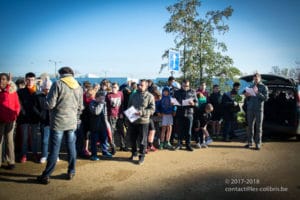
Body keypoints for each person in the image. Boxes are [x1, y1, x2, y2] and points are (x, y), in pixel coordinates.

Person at [37, 67, 83, 184]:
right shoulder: (78, 86)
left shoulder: (58, 84)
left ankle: (47, 175)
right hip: (72, 122)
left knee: (54, 149)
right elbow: (80, 107)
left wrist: (44, 101)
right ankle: (71, 171)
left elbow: (50, 104)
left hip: (58, 121)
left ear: (61, 74)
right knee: (71, 147)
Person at [127, 79, 155, 165]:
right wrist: (128, 117)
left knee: (143, 140)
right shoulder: (133, 95)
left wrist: (142, 112)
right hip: (133, 120)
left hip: (144, 121)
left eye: (141, 85)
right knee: (133, 138)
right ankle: (134, 152)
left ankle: (142, 155)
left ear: (146, 86)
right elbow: (129, 106)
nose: (139, 86)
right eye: (139, 85)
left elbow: (152, 109)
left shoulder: (150, 96)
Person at [17, 72, 42, 163]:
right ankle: (24, 154)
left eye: (32, 80)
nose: (30, 81)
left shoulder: (38, 92)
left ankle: (35, 153)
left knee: (34, 137)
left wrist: (39, 115)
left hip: (35, 118)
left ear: (35, 81)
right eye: (28, 79)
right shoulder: (20, 92)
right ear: (25, 80)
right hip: (24, 118)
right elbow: (19, 105)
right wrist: (22, 113)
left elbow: (40, 106)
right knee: (24, 137)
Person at [0, 73, 20, 169]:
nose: (1, 81)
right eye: (0, 79)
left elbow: (17, 106)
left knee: (9, 141)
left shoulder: (13, 92)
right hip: (0, 120)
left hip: (11, 120)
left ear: (8, 81)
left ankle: (11, 161)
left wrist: (15, 115)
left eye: (4, 79)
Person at [244, 73, 268, 150]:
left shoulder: (264, 87)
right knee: (250, 127)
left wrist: (257, 93)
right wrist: (247, 96)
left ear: (260, 79)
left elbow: (265, 98)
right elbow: (248, 99)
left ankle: (258, 144)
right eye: (254, 79)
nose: (255, 80)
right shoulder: (250, 86)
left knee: (258, 127)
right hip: (250, 109)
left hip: (259, 109)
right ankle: (250, 142)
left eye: (256, 79)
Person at [174, 79, 198, 151]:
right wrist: (173, 103)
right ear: (182, 85)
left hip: (189, 113)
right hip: (180, 113)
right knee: (179, 130)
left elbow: (197, 103)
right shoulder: (177, 92)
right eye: (184, 86)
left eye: (187, 86)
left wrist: (194, 104)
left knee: (188, 131)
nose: (186, 87)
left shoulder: (193, 92)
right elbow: (173, 100)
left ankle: (188, 145)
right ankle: (179, 144)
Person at [89, 91, 113, 160]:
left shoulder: (103, 104)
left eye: (103, 99)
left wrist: (106, 124)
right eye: (101, 98)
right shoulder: (92, 103)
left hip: (102, 126)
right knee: (94, 141)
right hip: (94, 126)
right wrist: (101, 104)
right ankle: (94, 155)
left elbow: (105, 114)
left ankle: (105, 152)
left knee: (104, 140)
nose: (102, 100)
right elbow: (96, 112)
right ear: (96, 98)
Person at [37, 77, 55, 163]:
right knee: (44, 139)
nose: (47, 90)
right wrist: (41, 116)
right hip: (44, 121)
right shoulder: (39, 97)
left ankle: (54, 155)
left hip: (54, 121)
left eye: (49, 88)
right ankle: (44, 155)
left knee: (54, 140)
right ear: (43, 88)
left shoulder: (54, 96)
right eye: (45, 88)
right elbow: (35, 108)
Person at [106, 82, 125, 152]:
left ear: (118, 88)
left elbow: (122, 104)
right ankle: (112, 146)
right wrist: (108, 115)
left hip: (119, 115)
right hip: (111, 115)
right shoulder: (108, 95)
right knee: (112, 131)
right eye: (112, 87)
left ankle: (123, 145)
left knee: (121, 131)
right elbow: (107, 106)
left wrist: (122, 113)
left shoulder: (121, 93)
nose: (114, 89)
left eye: (115, 87)